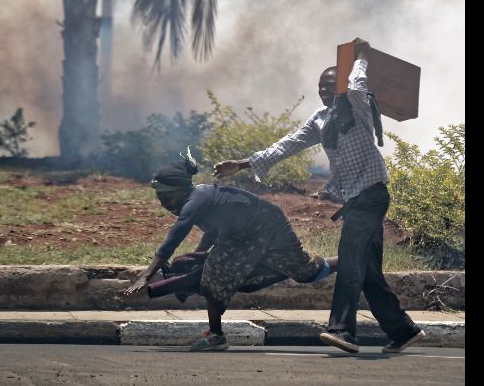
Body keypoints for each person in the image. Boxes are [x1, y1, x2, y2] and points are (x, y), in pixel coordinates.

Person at [213, 39, 425, 353]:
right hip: (355, 201)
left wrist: (362, 56)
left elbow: (357, 82)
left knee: (351, 262)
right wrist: (242, 164)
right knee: (367, 271)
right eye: (320, 87)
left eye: (329, 85)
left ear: (339, 85)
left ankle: (342, 330)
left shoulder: (357, 103)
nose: (323, 91)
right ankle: (402, 330)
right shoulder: (321, 119)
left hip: (372, 196)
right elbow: (288, 144)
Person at [124, 147, 337, 351]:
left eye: (165, 197)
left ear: (179, 191)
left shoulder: (194, 202)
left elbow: (173, 239)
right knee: (212, 273)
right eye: (159, 199)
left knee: (307, 272)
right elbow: (213, 230)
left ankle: (350, 258)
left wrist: (146, 275)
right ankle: (215, 336)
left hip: (270, 227)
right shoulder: (197, 199)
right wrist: (198, 256)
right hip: (240, 237)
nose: (163, 203)